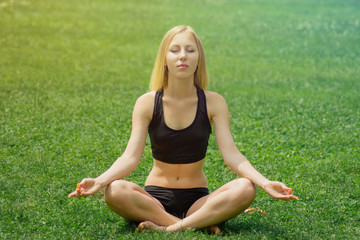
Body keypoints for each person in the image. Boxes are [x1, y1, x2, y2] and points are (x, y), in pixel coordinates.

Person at [68, 25, 298, 234]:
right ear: (164, 58)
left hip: (198, 198)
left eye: (190, 50)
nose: (182, 56)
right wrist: (99, 181)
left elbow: (232, 156)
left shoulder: (214, 102)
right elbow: (130, 157)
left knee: (246, 189)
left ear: (199, 58)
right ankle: (198, 224)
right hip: (154, 198)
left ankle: (168, 228)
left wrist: (265, 183)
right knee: (115, 190)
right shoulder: (147, 103)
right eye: (175, 50)